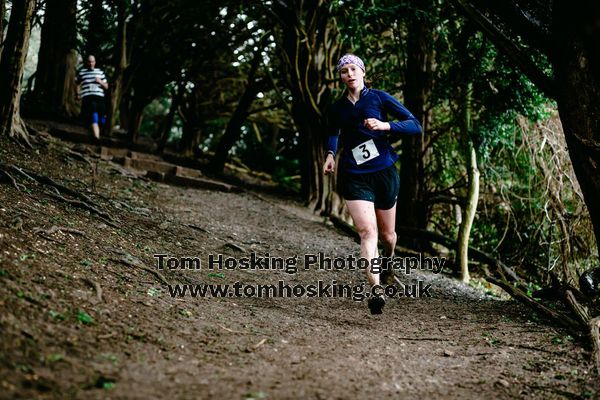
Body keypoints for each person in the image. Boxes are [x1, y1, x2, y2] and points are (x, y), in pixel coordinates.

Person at [323, 54, 422, 315]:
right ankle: (376, 289)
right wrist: (331, 155)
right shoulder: (338, 107)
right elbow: (333, 133)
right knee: (368, 232)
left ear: (363, 72)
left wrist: (385, 125)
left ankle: (388, 262)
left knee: (388, 236)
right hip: (354, 174)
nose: (349, 74)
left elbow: (415, 125)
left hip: (384, 171)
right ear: (341, 77)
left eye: (353, 69)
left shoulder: (379, 98)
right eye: (344, 71)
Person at [76, 55, 109, 140]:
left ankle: (95, 132)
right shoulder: (82, 72)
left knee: (102, 119)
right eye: (89, 62)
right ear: (87, 62)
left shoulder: (100, 72)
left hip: (100, 98)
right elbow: (77, 84)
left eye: (92, 61)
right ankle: (96, 138)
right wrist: (77, 94)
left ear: (95, 62)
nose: (91, 63)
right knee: (93, 116)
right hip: (88, 97)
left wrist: (100, 81)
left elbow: (106, 86)